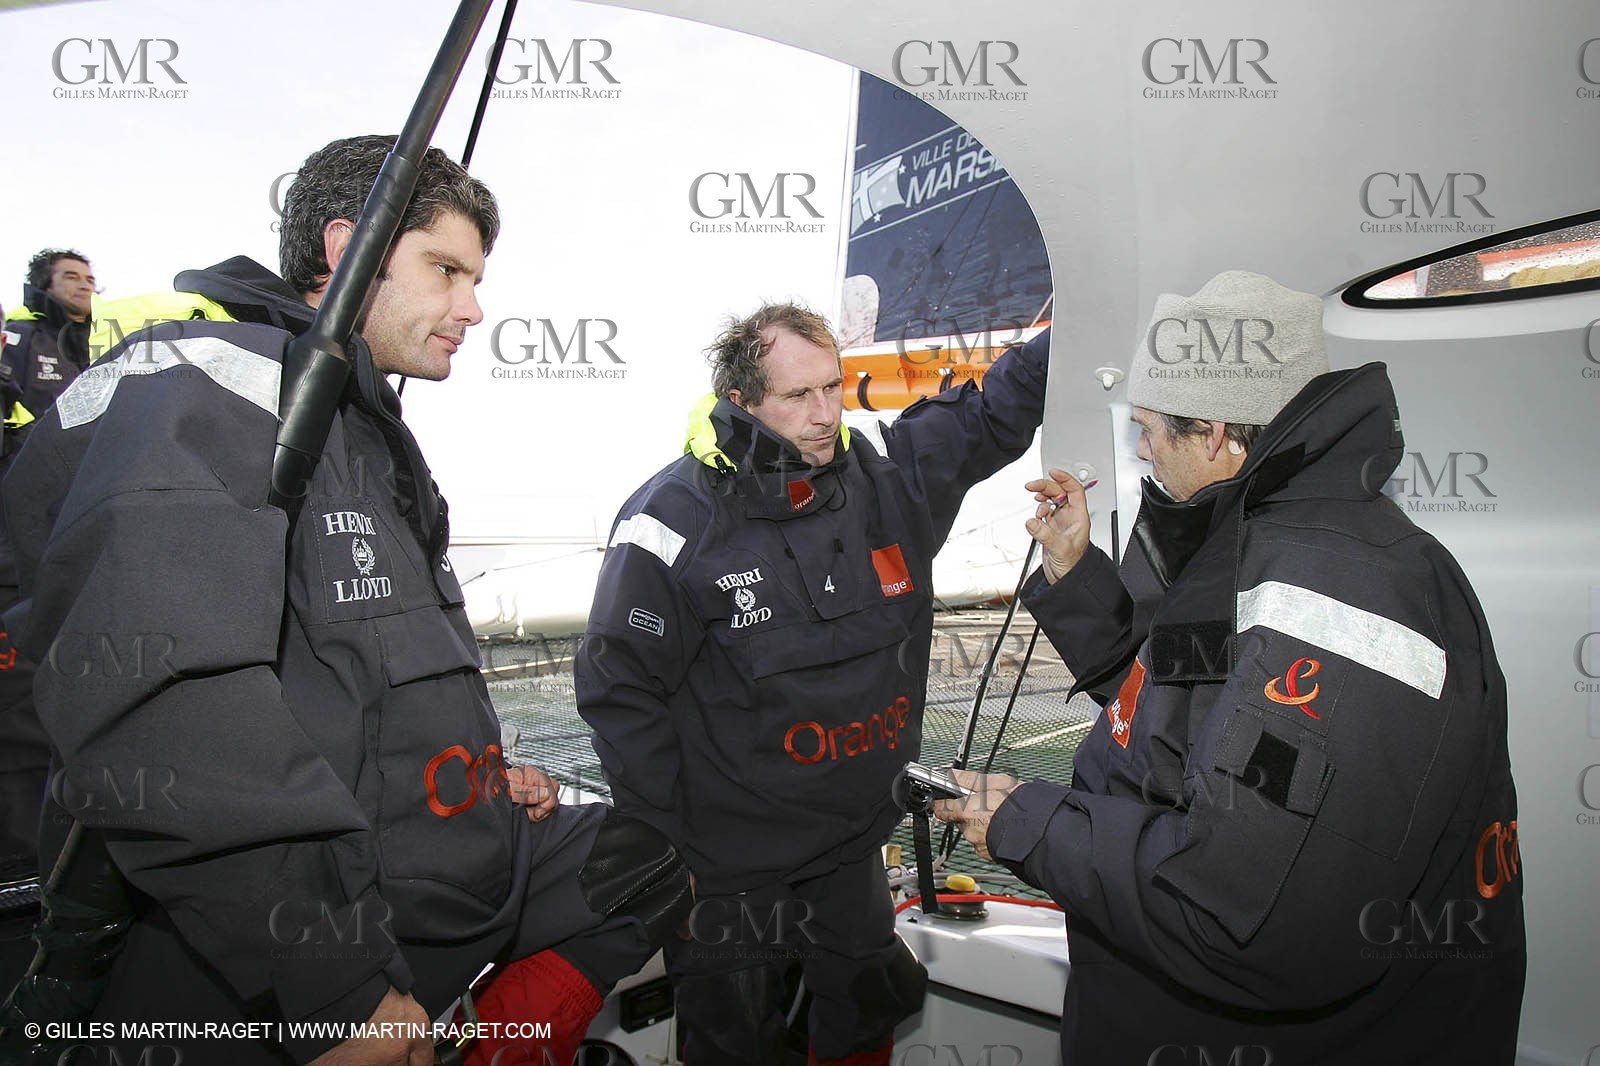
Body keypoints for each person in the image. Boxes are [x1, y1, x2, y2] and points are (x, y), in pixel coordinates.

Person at [0, 135, 690, 1066]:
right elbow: (165, 692)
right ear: (345, 246)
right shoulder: (209, 384)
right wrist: (336, 986)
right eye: (445, 269)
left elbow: (369, 679)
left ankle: (501, 1045)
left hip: (461, 869)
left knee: (673, 846)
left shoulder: (368, 436)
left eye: (475, 278)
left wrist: (487, 780)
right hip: (319, 942)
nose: (473, 308)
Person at [935, 271, 1526, 1065]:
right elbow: (1177, 717)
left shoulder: (1341, 598)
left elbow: (1242, 918)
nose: (1141, 450)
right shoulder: (1268, 540)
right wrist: (1075, 569)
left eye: (1148, 429)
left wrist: (1023, 818)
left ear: (1213, 433)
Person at [576, 304, 1050, 1065]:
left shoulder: (886, 484)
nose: (827, 413)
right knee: (739, 1047)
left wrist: (1084, 322)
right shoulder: (671, 519)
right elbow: (618, 690)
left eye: (834, 387)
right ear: (741, 403)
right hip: (729, 875)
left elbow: (994, 410)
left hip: (852, 852)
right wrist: (670, 851)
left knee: (863, 1018)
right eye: (799, 396)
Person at [0, 249, 97, 887]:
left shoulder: (86, 358)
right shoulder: (19, 339)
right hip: (12, 557)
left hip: (67, 557)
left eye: (91, 278)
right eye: (71, 278)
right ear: (43, 286)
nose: (85, 287)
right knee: (18, 718)